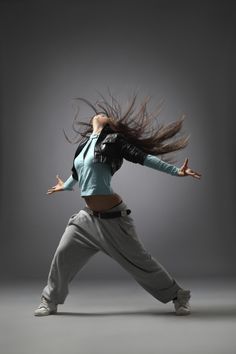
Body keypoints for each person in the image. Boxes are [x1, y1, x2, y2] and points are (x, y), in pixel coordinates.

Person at [34, 92, 201, 317]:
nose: (101, 114)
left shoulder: (114, 141)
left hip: (114, 220)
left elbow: (144, 158)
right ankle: (49, 301)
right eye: (99, 113)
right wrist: (66, 186)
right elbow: (77, 172)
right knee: (62, 253)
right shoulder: (84, 146)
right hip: (88, 219)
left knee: (141, 263)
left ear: (111, 125)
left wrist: (176, 171)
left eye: (106, 115)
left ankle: (179, 296)